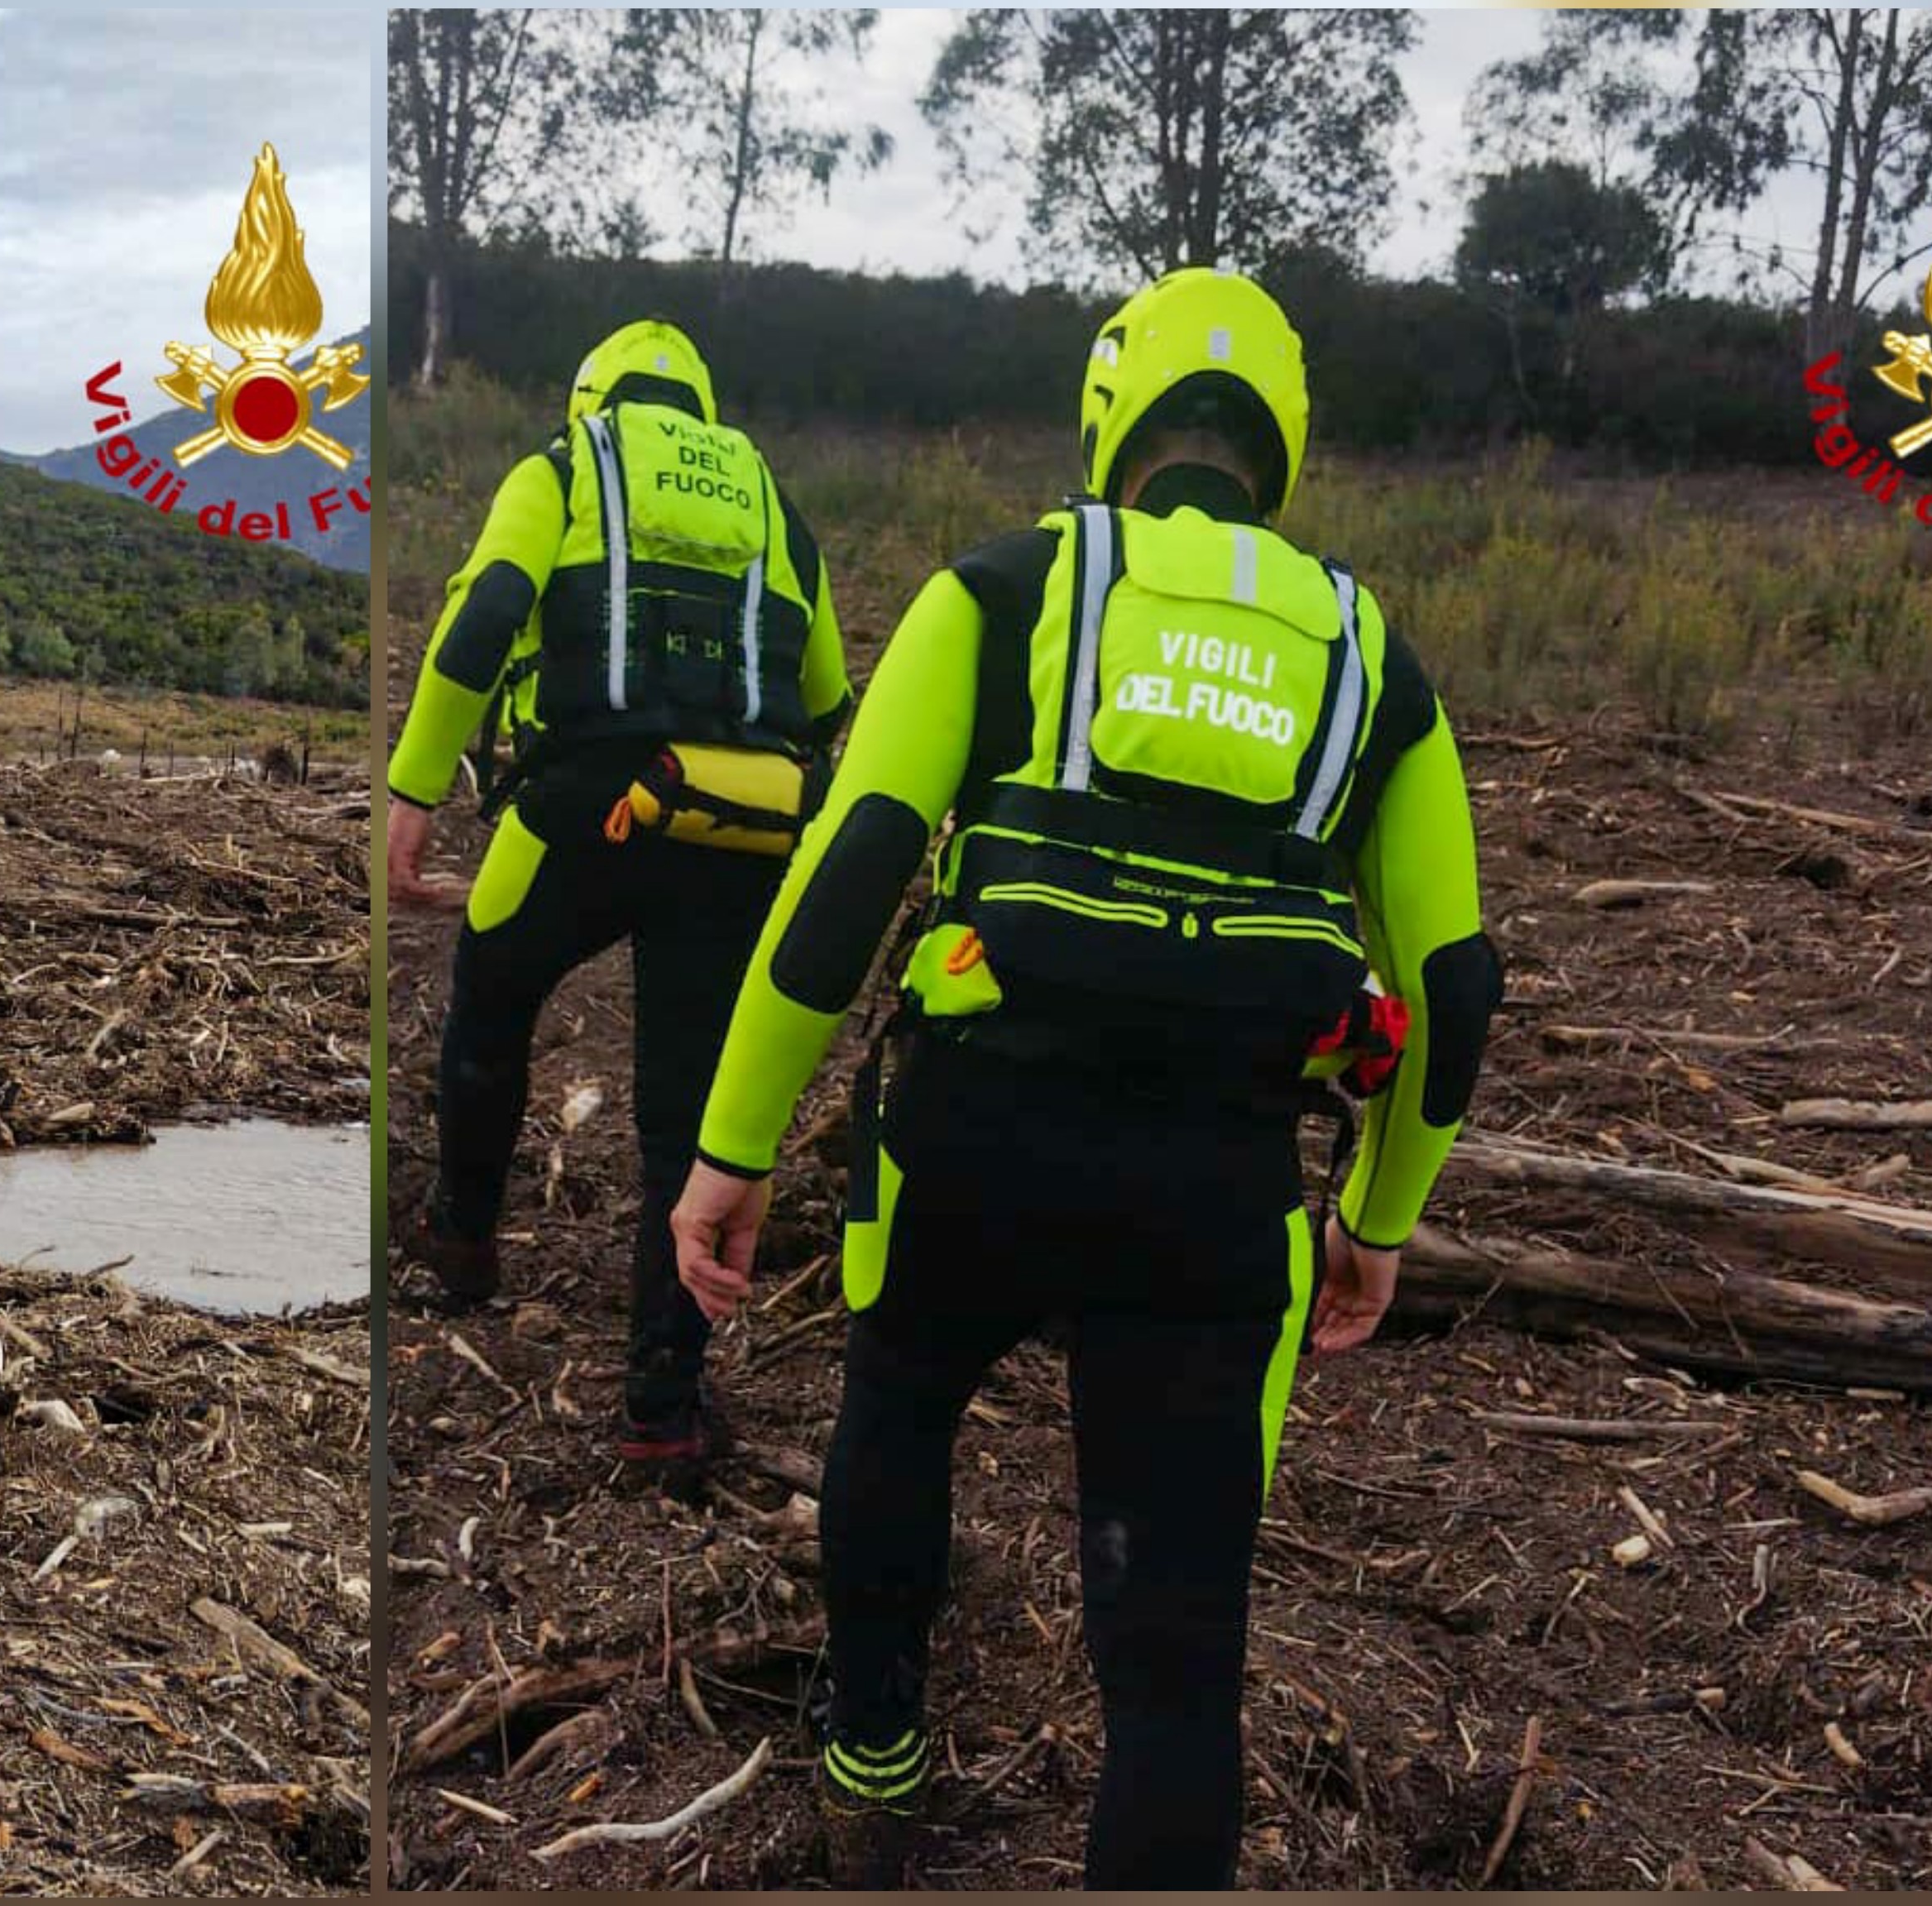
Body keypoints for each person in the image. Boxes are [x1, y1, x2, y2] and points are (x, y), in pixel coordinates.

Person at [668, 268, 1501, 1887]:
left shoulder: (994, 589)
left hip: (971, 1147)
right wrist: (1378, 1216)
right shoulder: (1366, 660)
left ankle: (872, 1749)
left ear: (1106, 417)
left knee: (895, 1406)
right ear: (1284, 442)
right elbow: (1452, 989)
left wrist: (732, 1144)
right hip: (1212, 1204)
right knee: (1175, 1658)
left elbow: (844, 885)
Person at [384, 317, 851, 1488]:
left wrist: (413, 793)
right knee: (687, 1111)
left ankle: (464, 1241)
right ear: (701, 408)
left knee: (491, 987)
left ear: (592, 395)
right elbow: (828, 693)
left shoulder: (565, 467)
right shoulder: (771, 500)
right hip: (739, 820)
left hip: (585, 808)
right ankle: (662, 1411)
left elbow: (484, 619)